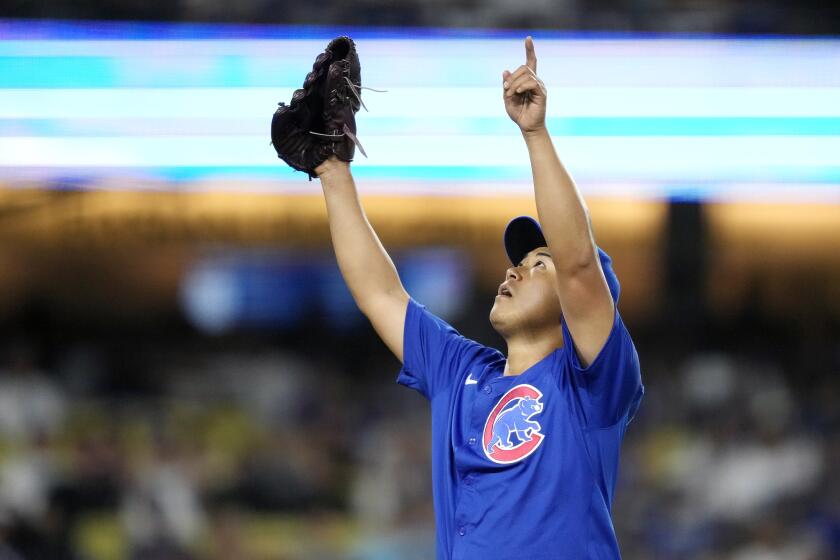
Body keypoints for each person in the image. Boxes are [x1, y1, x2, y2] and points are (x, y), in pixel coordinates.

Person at [314, 36, 643, 560]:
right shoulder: (461, 371)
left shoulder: (591, 386)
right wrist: (333, 172)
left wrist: (534, 134)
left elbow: (580, 263)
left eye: (540, 264)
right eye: (519, 261)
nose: (515, 270)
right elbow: (379, 293)